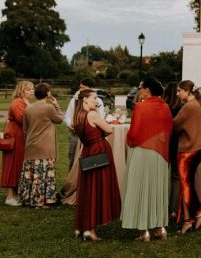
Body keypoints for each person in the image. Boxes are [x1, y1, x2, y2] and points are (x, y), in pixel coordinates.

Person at [121, 77, 173, 241]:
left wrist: (129, 140)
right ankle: (160, 228)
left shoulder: (140, 107)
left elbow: (134, 133)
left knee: (140, 187)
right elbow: (169, 130)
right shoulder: (165, 107)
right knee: (157, 189)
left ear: (147, 90)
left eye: (141, 88)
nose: (139, 91)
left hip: (142, 152)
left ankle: (143, 231)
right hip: (160, 154)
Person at [72, 88, 121, 241]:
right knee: (97, 187)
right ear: (85, 100)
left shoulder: (77, 115)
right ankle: (90, 229)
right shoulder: (92, 115)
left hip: (87, 150)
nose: (96, 101)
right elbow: (108, 129)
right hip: (98, 150)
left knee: (88, 188)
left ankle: (83, 226)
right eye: (94, 98)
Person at [18, 83, 63, 208]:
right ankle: (43, 200)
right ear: (48, 93)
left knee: (32, 173)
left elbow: (25, 129)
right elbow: (60, 119)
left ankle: (28, 198)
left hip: (31, 145)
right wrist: (56, 105)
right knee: (43, 173)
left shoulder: (28, 108)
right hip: (45, 146)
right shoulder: (48, 108)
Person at [174, 80, 201, 233]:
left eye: (179, 91)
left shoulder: (188, 107)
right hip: (198, 148)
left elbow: (173, 125)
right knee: (189, 185)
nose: (177, 94)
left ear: (187, 91)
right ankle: (195, 217)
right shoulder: (198, 104)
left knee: (186, 186)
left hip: (188, 150)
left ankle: (192, 219)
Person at [2, 81, 33, 206]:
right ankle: (9, 197)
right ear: (21, 91)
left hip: (21, 135)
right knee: (12, 163)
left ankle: (16, 193)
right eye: (29, 89)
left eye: (32, 89)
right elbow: (22, 119)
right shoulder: (17, 103)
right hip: (15, 135)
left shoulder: (26, 102)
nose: (32, 91)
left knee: (19, 163)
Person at [65, 78, 106, 168]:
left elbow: (101, 118)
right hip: (75, 135)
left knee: (90, 163)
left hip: (90, 137)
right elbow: (68, 116)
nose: (80, 90)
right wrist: (70, 124)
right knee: (73, 160)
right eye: (80, 87)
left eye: (83, 88)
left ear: (90, 89)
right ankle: (73, 181)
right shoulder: (73, 101)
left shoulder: (98, 102)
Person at [162, 81, 182, 218]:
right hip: (176, 143)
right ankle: (173, 209)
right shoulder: (181, 107)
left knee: (161, 176)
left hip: (163, 143)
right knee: (175, 176)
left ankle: (160, 206)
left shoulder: (163, 107)